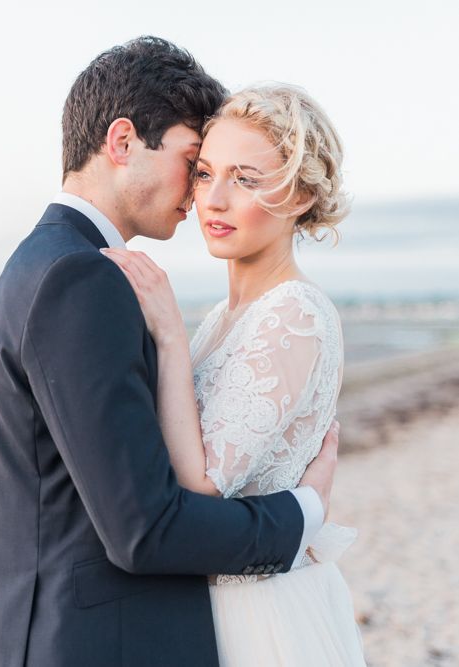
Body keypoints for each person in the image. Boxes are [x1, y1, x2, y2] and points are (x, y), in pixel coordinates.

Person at [0, 37, 339, 666]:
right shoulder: (80, 278)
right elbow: (145, 528)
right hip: (87, 644)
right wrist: (302, 514)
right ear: (122, 142)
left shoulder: (47, 262)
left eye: (234, 176)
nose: (202, 194)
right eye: (195, 163)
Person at [103, 84, 365, 664]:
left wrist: (168, 337)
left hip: (264, 616)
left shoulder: (295, 314)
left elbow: (202, 486)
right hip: (211, 603)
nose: (213, 199)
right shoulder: (226, 317)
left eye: (245, 179)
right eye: (204, 173)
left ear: (298, 195)